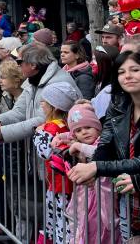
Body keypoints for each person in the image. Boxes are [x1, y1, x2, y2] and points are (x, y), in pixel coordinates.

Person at [69, 52, 140, 243]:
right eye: (121, 71)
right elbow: (106, 142)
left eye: (135, 70)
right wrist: (94, 170)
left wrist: (96, 168)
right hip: (130, 203)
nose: (128, 76)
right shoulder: (119, 104)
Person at [59, 103, 117, 244]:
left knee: (103, 229)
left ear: (97, 127)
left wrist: (79, 146)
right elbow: (68, 134)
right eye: (79, 130)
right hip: (87, 196)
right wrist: (59, 137)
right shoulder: (79, 141)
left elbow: (98, 153)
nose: (84, 132)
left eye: (88, 127)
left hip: (104, 197)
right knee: (86, 226)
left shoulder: (103, 143)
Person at [32, 82, 76, 243]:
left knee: (60, 222)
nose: (41, 104)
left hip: (60, 185)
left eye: (44, 101)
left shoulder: (51, 127)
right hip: (62, 183)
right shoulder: (67, 125)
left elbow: (45, 152)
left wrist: (37, 134)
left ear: (54, 106)